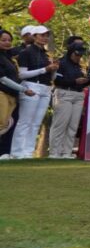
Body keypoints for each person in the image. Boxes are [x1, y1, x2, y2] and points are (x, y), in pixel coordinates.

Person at [11, 26, 57, 159]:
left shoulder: (47, 55)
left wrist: (53, 69)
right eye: (42, 35)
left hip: (45, 88)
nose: (45, 38)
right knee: (25, 121)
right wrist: (45, 69)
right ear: (34, 36)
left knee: (36, 122)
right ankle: (17, 152)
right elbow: (22, 74)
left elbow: (51, 77)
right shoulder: (26, 52)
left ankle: (28, 152)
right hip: (31, 86)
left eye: (46, 35)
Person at [48, 42, 90, 159]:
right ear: (71, 52)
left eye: (81, 55)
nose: (79, 57)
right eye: (77, 54)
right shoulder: (61, 63)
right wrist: (75, 81)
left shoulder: (80, 65)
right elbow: (57, 81)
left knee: (73, 126)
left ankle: (67, 152)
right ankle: (54, 152)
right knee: (60, 124)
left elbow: (84, 82)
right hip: (64, 93)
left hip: (78, 95)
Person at [0, 29, 37, 143]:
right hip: (2, 93)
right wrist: (24, 90)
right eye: (3, 40)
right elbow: (3, 79)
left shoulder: (9, 58)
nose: (7, 42)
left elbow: (17, 76)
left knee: (6, 123)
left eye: (9, 40)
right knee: (2, 122)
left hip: (12, 95)